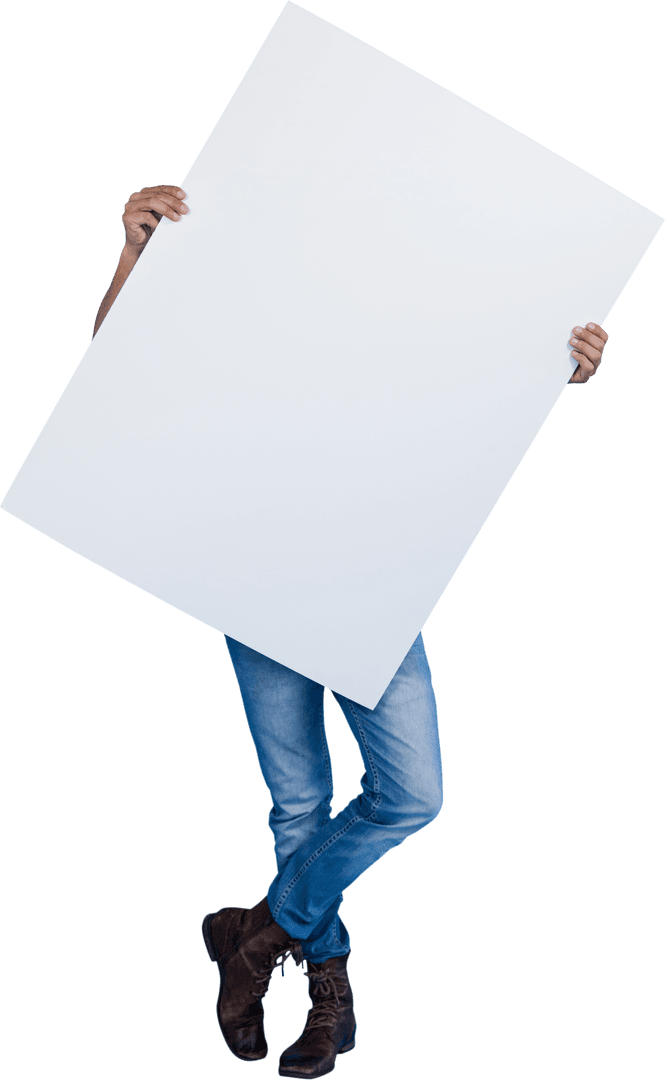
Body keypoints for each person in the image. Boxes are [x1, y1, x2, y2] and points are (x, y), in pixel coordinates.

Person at [94, 186, 609, 1079]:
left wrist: (546, 363)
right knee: (297, 804)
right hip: (253, 577)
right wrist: (137, 257)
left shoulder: (396, 310)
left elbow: (464, 394)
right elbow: (117, 374)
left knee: (413, 793)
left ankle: (250, 940)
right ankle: (329, 990)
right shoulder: (239, 305)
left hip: (373, 578)